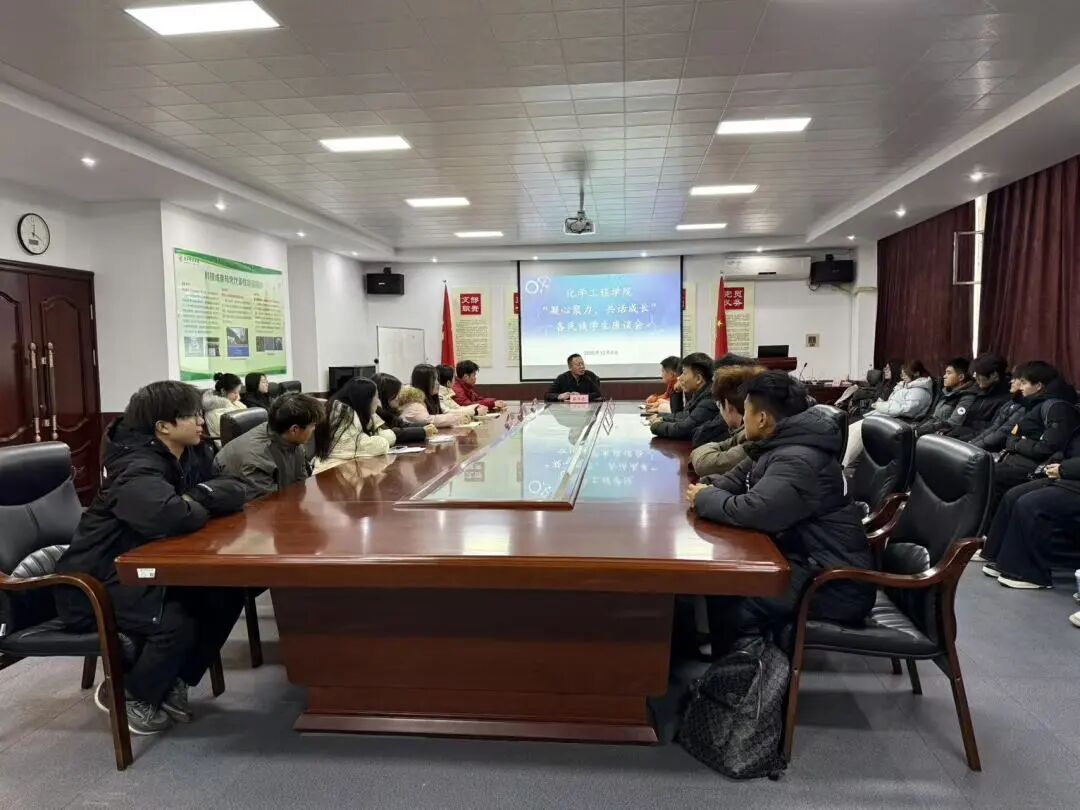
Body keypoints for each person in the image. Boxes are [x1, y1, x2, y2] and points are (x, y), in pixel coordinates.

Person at [54, 381, 247, 735]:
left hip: (148, 567)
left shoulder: (192, 452)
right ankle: (130, 694)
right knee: (178, 617)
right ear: (163, 427)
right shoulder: (134, 466)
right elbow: (170, 517)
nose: (201, 421)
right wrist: (197, 503)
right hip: (96, 581)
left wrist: (195, 496)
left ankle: (173, 680)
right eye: (192, 416)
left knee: (228, 592)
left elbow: (234, 488)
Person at [686, 371, 874, 646]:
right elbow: (733, 481)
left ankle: (744, 667)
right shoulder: (777, 445)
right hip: (804, 564)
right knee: (720, 585)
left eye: (747, 411)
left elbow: (753, 511)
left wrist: (705, 498)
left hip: (831, 586)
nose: (743, 419)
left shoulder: (798, 459)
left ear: (762, 418)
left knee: (731, 596)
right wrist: (707, 488)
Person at [981, 430, 1080, 589]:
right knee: (1012, 496)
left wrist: (1064, 469)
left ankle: (1031, 574)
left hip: (1072, 478)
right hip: (1070, 476)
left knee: (1033, 504)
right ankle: (1000, 558)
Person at [987, 360, 1078, 510]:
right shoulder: (1031, 405)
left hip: (1033, 469)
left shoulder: (1056, 408)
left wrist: (1017, 443)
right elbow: (1010, 436)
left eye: (1024, 383)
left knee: (985, 476)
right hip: (1014, 460)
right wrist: (1018, 441)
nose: (1020, 387)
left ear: (1038, 386)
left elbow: (1045, 449)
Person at [213, 392, 323, 501]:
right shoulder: (256, 460)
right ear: (294, 429)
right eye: (313, 425)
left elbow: (300, 484)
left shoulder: (290, 437)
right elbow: (269, 504)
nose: (314, 429)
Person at [842, 360, 933, 467]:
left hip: (899, 421)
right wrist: (881, 406)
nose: (903, 376)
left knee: (860, 430)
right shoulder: (904, 386)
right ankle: (842, 459)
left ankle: (844, 463)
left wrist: (880, 406)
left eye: (906, 373)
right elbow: (892, 404)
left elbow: (905, 410)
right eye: (902, 373)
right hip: (889, 417)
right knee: (852, 429)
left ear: (916, 373)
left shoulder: (920, 391)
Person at [689, 364, 766, 477]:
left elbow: (705, 463)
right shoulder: (744, 432)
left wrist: (699, 453)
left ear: (727, 405)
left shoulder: (756, 438)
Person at [313, 376, 398, 471]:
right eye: (377, 397)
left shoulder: (356, 412)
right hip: (330, 472)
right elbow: (376, 446)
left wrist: (372, 414)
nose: (378, 402)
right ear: (367, 399)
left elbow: (390, 436)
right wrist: (373, 416)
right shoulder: (342, 414)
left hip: (344, 470)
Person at [648, 353, 719, 440]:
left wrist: (657, 426)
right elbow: (687, 415)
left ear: (698, 379)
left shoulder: (709, 400)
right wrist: (662, 418)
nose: (679, 378)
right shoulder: (701, 393)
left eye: (684, 373)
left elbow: (685, 429)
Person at [944, 353, 1013, 442]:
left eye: (979, 374)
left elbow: (990, 431)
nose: (975, 377)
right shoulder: (977, 389)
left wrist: (959, 439)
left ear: (994, 375)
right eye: (975, 373)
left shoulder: (1006, 399)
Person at [914, 357, 974, 436]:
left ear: (961, 377)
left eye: (949, 373)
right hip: (927, 431)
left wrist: (919, 431)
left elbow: (952, 424)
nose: (944, 376)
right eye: (945, 373)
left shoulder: (966, 397)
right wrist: (917, 428)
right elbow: (932, 417)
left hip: (940, 436)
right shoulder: (945, 393)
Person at [372, 372, 437, 443]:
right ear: (384, 395)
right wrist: (423, 431)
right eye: (395, 393)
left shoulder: (390, 413)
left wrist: (426, 425)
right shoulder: (375, 414)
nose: (398, 397)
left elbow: (403, 425)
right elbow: (393, 434)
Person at [412, 364, 481, 422]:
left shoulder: (433, 396)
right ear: (424, 382)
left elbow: (456, 408)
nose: (437, 383)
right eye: (434, 379)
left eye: (437, 379)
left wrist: (476, 406)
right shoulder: (414, 402)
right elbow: (431, 419)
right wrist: (474, 411)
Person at [202, 372, 246, 442]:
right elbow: (228, 435)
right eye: (235, 393)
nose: (238, 396)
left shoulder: (233, 402)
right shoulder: (213, 412)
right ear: (223, 391)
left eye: (238, 392)